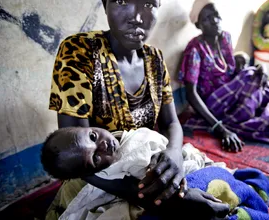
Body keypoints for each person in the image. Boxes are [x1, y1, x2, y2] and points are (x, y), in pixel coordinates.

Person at [47, 0, 228, 219]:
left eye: (149, 3)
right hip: (102, 181)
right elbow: (80, 163)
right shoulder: (80, 52)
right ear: (105, 5)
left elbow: (171, 123)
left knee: (217, 181)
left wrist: (173, 154)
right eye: (122, 1)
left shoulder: (155, 59)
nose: (137, 17)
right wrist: (171, 199)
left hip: (146, 164)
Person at [41, 126, 269, 220]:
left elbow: (171, 125)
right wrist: (182, 197)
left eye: (93, 136)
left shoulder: (130, 135)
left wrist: (174, 154)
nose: (104, 146)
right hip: (166, 188)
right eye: (95, 158)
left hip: (180, 159)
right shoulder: (104, 173)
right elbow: (140, 191)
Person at [179, 0, 269, 152]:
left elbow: (229, 68)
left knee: (262, 83)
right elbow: (191, 94)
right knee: (253, 81)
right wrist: (219, 127)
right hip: (216, 103)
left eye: (216, 15)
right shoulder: (195, 49)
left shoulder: (225, 38)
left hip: (233, 92)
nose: (215, 21)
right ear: (198, 25)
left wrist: (256, 66)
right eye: (207, 18)